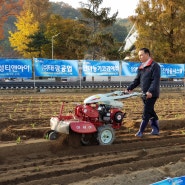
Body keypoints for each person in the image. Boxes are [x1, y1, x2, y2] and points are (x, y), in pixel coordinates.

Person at [126, 48, 161, 137]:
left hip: (152, 94)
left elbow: (155, 81)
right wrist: (129, 88)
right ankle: (156, 129)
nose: (140, 57)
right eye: (139, 55)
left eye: (141, 55)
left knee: (146, 112)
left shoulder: (154, 66)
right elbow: (137, 80)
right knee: (151, 111)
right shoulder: (141, 67)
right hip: (144, 94)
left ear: (147, 54)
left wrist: (150, 91)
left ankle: (140, 131)